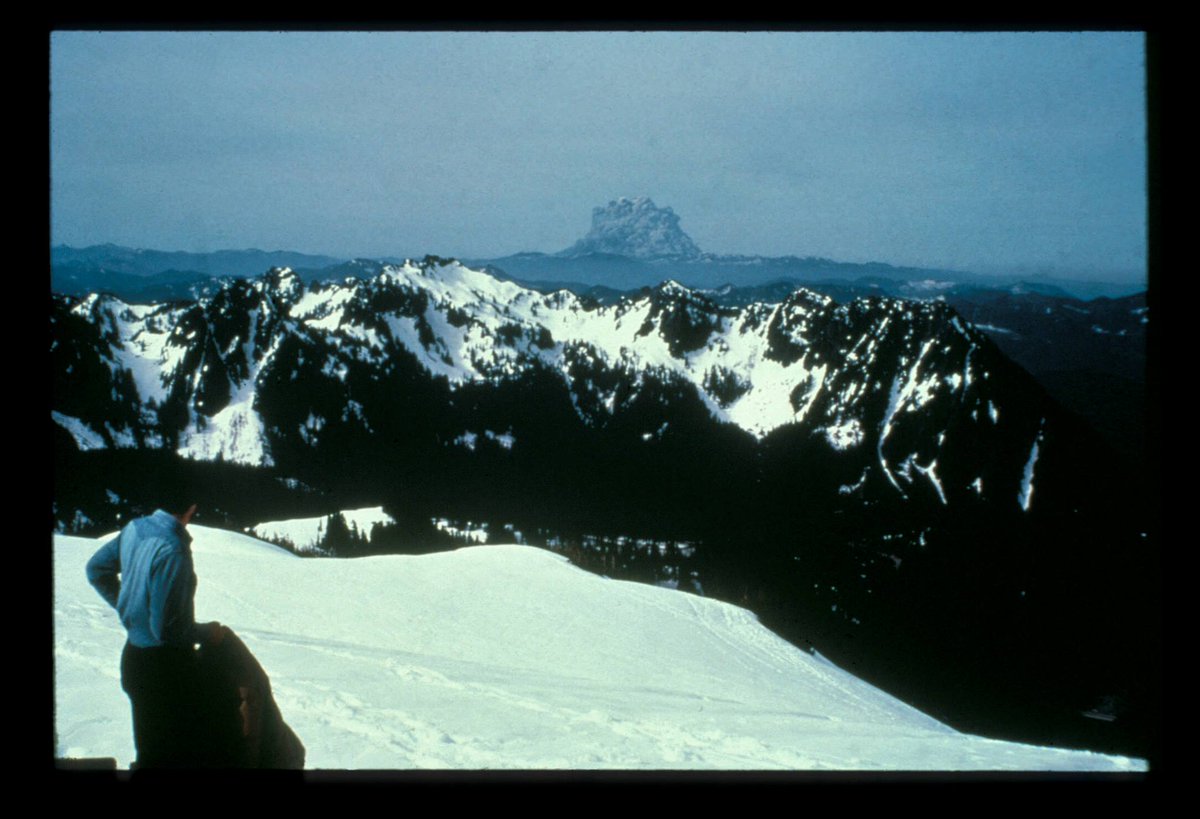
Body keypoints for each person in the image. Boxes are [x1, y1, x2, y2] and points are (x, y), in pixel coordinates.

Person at [86, 502, 222, 769]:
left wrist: (129, 605)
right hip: (165, 670)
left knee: (151, 752)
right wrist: (208, 632)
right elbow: (167, 630)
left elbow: (96, 570)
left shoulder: (136, 528)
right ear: (191, 507)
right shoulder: (172, 548)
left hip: (135, 659)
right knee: (171, 756)